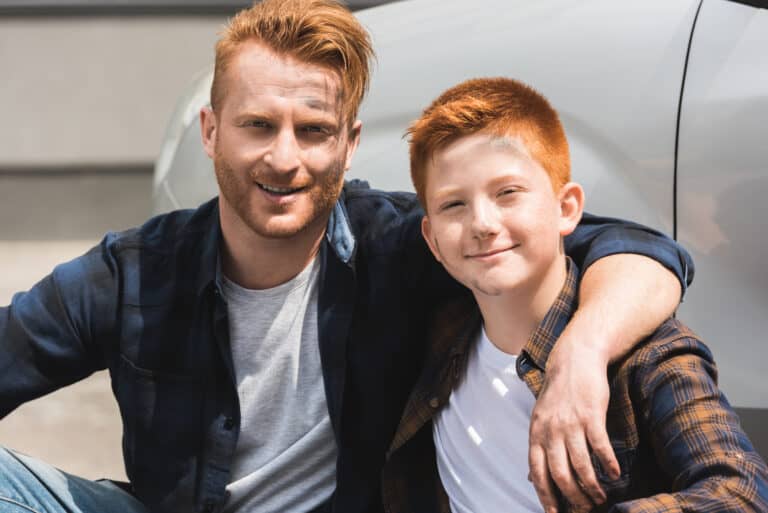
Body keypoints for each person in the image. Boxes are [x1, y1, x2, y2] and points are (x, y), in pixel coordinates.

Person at [0, 2, 692, 513]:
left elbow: (640, 250)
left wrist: (581, 354)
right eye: (258, 126)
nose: (284, 158)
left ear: (350, 142)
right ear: (211, 132)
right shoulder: (136, 271)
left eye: (314, 130)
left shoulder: (400, 245)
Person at [381, 76, 768, 513]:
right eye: (454, 205)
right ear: (431, 239)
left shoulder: (650, 357)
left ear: (567, 209)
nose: (482, 223)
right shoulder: (434, 336)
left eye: (507, 193)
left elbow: (741, 494)